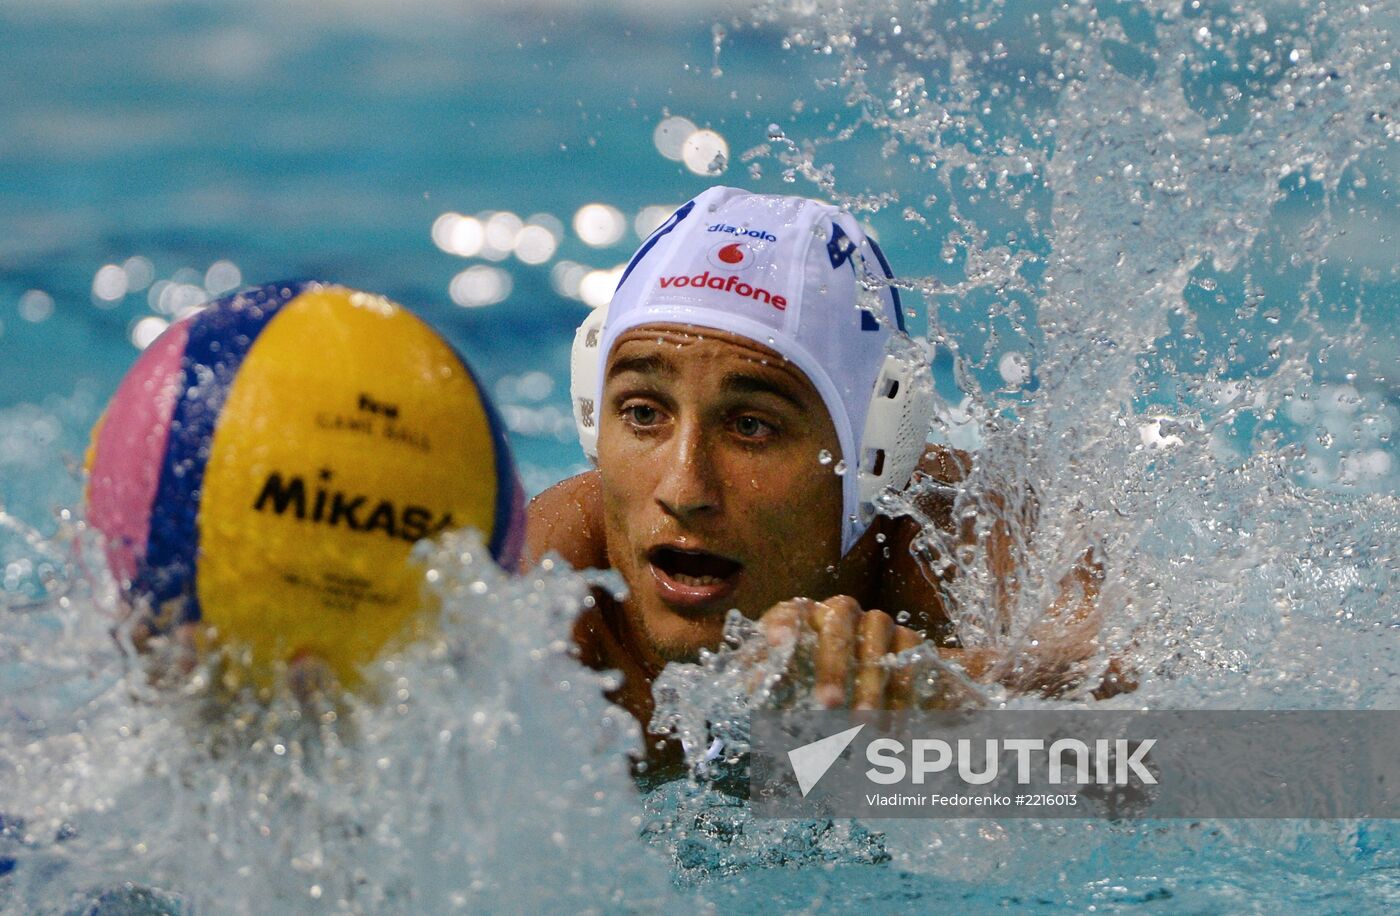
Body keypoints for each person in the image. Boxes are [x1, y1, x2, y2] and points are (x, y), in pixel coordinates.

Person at [524, 187, 1128, 754]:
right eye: (644, 413)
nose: (683, 490)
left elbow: (1176, 732)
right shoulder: (550, 597)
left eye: (751, 426)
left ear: (873, 453)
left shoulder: (960, 535)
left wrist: (937, 692)